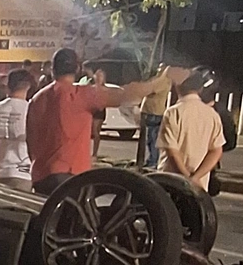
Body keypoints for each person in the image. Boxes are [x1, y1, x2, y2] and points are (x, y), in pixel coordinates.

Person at [27, 48, 171, 196]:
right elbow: (126, 95)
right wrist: (160, 80)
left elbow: (30, 141)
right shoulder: (80, 94)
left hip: (40, 176)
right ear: (78, 68)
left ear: (52, 69)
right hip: (69, 176)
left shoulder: (37, 99)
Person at [158, 67, 224, 188]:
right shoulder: (212, 115)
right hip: (200, 184)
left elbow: (172, 151)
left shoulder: (173, 112)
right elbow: (216, 151)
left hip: (171, 181)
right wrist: (196, 177)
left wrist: (186, 177)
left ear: (177, 87)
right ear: (200, 89)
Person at [200, 80, 236, 196]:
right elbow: (231, 141)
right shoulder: (221, 111)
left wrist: (214, 150)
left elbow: (230, 141)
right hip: (209, 166)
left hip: (205, 166)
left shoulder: (183, 109)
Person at [137, 77, 172, 169]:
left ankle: (153, 161)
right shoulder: (159, 78)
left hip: (155, 112)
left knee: (153, 138)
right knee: (149, 138)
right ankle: (151, 160)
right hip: (150, 111)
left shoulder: (164, 80)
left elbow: (150, 89)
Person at [90, 67, 108, 159]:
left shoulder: (105, 89)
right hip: (92, 110)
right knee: (90, 132)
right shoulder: (91, 88)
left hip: (99, 111)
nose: (98, 77)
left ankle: (95, 153)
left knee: (96, 131)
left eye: (100, 76)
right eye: (97, 75)